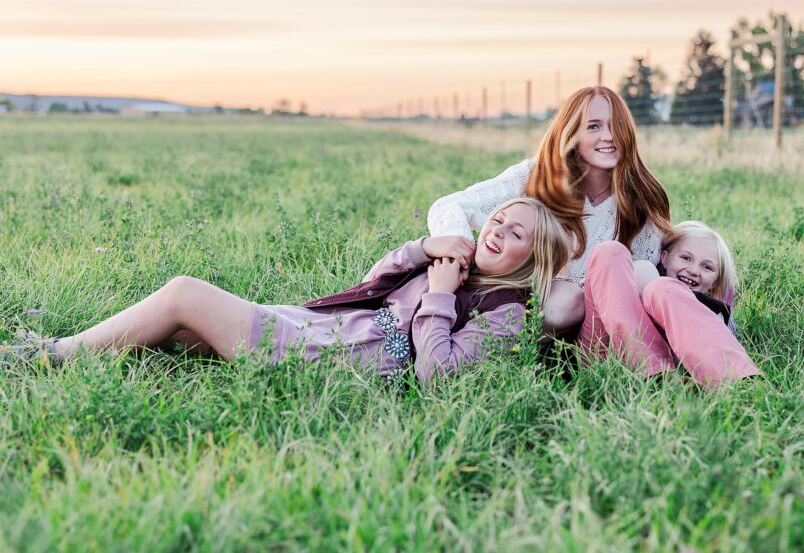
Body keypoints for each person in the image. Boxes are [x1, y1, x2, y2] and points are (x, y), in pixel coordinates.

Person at [2, 198, 571, 387]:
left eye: (514, 232)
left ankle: (50, 355)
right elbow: (374, 285)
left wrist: (440, 297)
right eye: (497, 219)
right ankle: (93, 361)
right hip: (320, 327)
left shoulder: (506, 312)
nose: (496, 231)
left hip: (335, 359)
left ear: (533, 258)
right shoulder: (458, 266)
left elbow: (438, 374)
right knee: (178, 332)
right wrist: (424, 249)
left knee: (183, 295)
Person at [428, 86, 675, 338]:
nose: (609, 136)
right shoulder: (536, 175)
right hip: (535, 309)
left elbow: (643, 277)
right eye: (593, 127)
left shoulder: (641, 197)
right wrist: (464, 256)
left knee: (644, 270)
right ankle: (523, 348)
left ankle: (622, 354)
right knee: (564, 302)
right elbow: (449, 206)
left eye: (616, 126)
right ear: (572, 133)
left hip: (602, 321)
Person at [578, 221, 760, 388]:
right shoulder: (644, 281)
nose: (693, 270)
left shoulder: (709, 309)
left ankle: (738, 381)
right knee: (609, 251)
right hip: (600, 353)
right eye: (686, 258)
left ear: (715, 282)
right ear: (664, 258)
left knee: (662, 288)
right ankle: (651, 368)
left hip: (663, 365)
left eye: (707, 267)